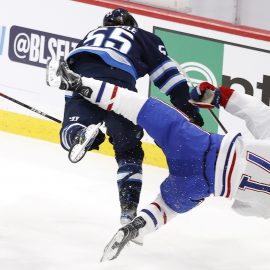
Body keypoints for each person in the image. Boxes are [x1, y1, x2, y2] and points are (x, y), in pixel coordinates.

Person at [46, 59, 270, 261]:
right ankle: (136, 228)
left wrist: (217, 96)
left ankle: (74, 81)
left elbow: (256, 112)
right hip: (202, 185)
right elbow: (241, 208)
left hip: (200, 147)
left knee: (136, 106)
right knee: (167, 207)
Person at [54, 8, 204, 225]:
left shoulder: (91, 36)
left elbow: (70, 77)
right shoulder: (142, 36)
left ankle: (78, 134)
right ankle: (128, 211)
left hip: (80, 77)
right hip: (118, 82)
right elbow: (168, 75)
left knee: (68, 133)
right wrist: (189, 110)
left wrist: (72, 116)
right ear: (132, 25)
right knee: (129, 150)